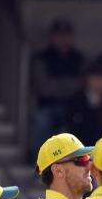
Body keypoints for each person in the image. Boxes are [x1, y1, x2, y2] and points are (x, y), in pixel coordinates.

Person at [30, 18, 84, 148]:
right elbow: (44, 88)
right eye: (59, 35)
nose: (62, 39)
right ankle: (38, 159)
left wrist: (58, 84)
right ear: (52, 37)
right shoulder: (42, 58)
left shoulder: (79, 58)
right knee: (41, 120)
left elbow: (83, 84)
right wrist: (69, 84)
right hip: (48, 105)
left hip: (74, 105)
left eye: (66, 35)